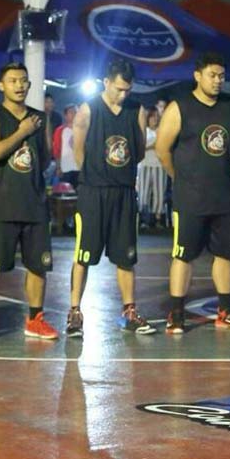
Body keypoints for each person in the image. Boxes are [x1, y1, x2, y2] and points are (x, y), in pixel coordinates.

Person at [155, 52, 230, 334]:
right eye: (212, 75)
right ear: (197, 76)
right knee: (183, 255)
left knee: (225, 254)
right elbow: (162, 150)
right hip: (190, 197)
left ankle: (226, 310)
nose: (218, 80)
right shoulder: (180, 107)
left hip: (223, 196)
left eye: (222, 76)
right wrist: (181, 177)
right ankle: (177, 313)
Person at [0, 62, 59, 342]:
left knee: (38, 265)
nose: (19, 85)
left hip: (34, 204)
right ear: (1, 85)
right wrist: (22, 132)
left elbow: (45, 157)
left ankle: (35, 319)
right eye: (13, 81)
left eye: (23, 80)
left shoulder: (39, 117)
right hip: (1, 205)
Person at [65, 60, 155, 338]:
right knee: (83, 255)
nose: (123, 94)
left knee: (126, 257)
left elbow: (139, 151)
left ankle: (129, 312)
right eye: (118, 89)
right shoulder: (88, 110)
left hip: (124, 192)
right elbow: (78, 151)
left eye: (127, 89)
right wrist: (95, 175)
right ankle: (74, 312)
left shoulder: (137, 110)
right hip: (94, 192)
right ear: (106, 82)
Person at [137, 105, 167, 228]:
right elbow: (140, 147)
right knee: (144, 192)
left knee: (159, 192)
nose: (154, 119)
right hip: (145, 164)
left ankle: (158, 218)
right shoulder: (144, 131)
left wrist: (155, 145)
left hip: (159, 166)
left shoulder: (161, 131)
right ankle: (144, 218)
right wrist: (152, 145)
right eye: (152, 117)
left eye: (156, 117)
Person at [54, 105, 79, 187]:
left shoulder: (84, 130)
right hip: (65, 169)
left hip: (80, 169)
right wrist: (58, 167)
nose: (74, 114)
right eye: (71, 112)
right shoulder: (60, 131)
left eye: (76, 112)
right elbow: (57, 150)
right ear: (65, 116)